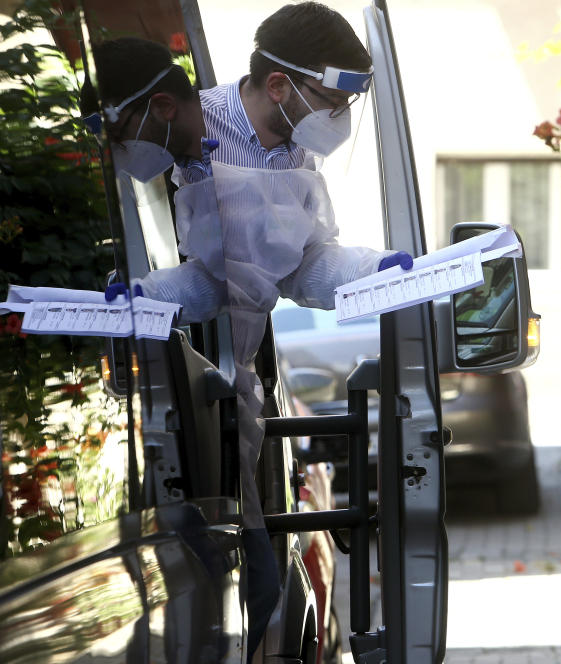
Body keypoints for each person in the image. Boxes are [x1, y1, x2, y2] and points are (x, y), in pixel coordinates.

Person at [90, 8, 411, 659]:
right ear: (279, 87)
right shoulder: (197, 126)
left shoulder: (295, 148)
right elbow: (211, 278)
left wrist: (382, 274)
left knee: (260, 600)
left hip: (246, 394)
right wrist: (141, 302)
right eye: (333, 99)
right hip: (199, 397)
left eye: (350, 101)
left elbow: (301, 266)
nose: (341, 116)